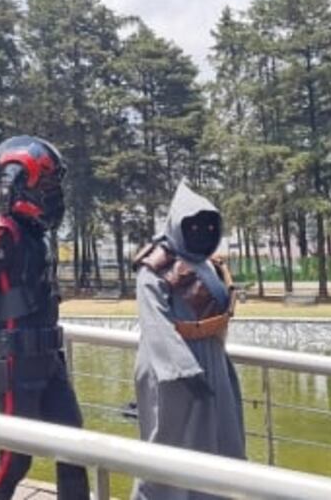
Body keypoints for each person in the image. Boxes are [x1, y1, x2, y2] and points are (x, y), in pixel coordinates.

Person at [0, 135, 90, 500]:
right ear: (18, 182)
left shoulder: (34, 234)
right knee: (15, 457)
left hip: (48, 359)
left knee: (74, 446)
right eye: (46, 184)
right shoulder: (5, 233)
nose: (53, 193)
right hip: (17, 362)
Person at [130, 180, 245, 500]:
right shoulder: (155, 267)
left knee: (219, 441)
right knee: (170, 445)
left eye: (209, 224)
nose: (202, 230)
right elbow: (155, 324)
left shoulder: (209, 264)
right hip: (173, 372)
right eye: (193, 224)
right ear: (178, 225)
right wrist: (182, 372)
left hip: (213, 363)